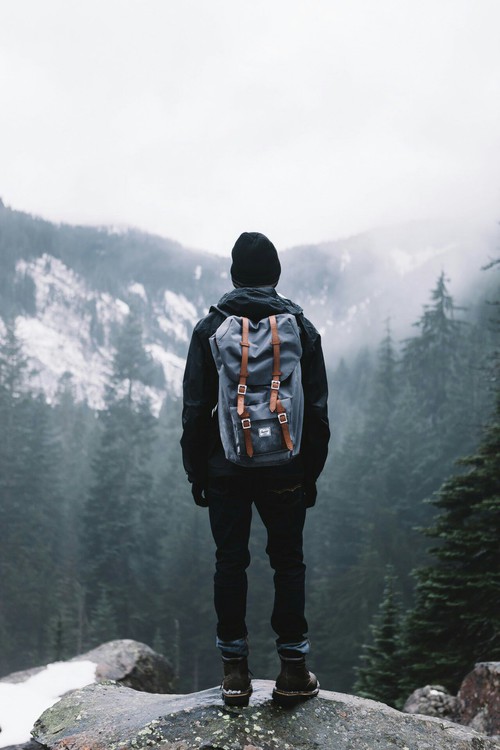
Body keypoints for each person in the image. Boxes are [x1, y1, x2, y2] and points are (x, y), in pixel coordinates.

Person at [181, 231, 330, 706]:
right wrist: (310, 472)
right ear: (276, 275)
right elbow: (320, 410)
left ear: (233, 274)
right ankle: (292, 670)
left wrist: (197, 472)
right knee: (287, 563)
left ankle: (235, 675)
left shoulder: (210, 329)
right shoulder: (301, 328)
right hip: (286, 466)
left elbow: (195, 409)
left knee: (231, 562)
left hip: (225, 466)